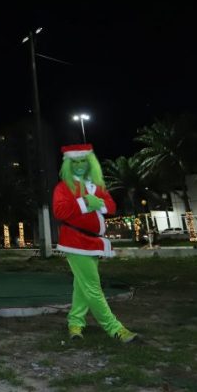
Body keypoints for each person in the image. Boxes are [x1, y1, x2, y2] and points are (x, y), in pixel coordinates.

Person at [52, 143, 138, 344]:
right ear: (68, 165)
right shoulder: (63, 187)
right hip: (74, 241)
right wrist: (85, 202)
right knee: (92, 287)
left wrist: (99, 203)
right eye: (75, 162)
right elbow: (59, 211)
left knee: (81, 285)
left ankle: (75, 323)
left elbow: (112, 206)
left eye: (83, 161)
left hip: (93, 242)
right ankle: (114, 328)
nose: (79, 165)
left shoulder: (96, 185)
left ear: (90, 163)